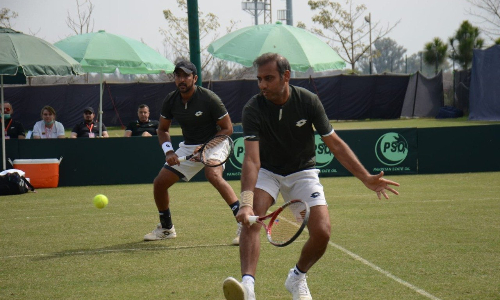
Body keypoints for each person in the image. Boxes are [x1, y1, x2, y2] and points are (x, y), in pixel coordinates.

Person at [222, 53, 400, 300]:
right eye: (259, 79)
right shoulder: (253, 108)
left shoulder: (308, 101)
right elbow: (252, 159)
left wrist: (366, 178)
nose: (262, 85)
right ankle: (248, 289)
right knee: (252, 217)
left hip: (302, 172)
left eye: (269, 78)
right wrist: (246, 201)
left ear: (286, 76)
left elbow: (335, 144)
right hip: (268, 172)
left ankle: (296, 277)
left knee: (323, 232)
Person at [144, 60, 241, 245]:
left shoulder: (209, 98)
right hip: (189, 146)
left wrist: (205, 147)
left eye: (186, 76)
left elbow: (227, 128)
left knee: (212, 174)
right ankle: (166, 228)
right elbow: (163, 130)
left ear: (194, 78)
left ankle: (243, 223)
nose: (182, 79)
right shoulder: (171, 100)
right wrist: (169, 152)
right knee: (159, 184)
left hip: (216, 141)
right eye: (178, 76)